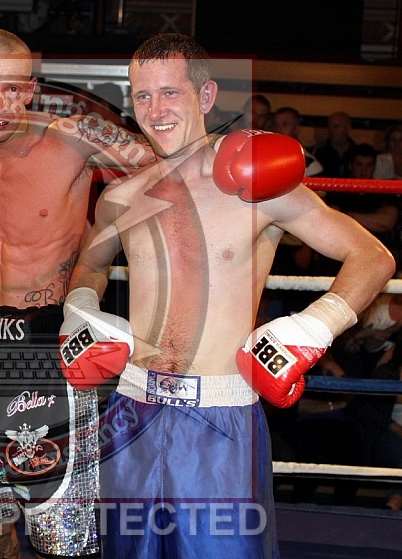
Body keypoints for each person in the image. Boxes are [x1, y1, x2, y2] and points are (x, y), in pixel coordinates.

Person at [63, 33, 394, 558]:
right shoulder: (121, 197)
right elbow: (90, 264)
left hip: (218, 420)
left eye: (170, 93)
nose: (155, 110)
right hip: (131, 412)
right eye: (142, 95)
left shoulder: (258, 186)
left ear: (206, 95)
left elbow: (372, 256)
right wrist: (80, 308)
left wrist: (314, 326)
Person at [0, 29, 155, 558]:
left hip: (46, 338)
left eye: (12, 89)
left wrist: (234, 153)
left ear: (30, 89)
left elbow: (165, 161)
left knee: (61, 533)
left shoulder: (73, 138)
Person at [272, 106, 323, 176]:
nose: (278, 129)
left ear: (297, 129)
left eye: (285, 124)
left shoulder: (310, 165)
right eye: (276, 124)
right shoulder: (267, 159)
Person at [312, 111, 358, 178]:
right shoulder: (319, 152)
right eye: (329, 127)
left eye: (335, 126)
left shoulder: (357, 152)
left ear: (348, 128)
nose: (331, 131)